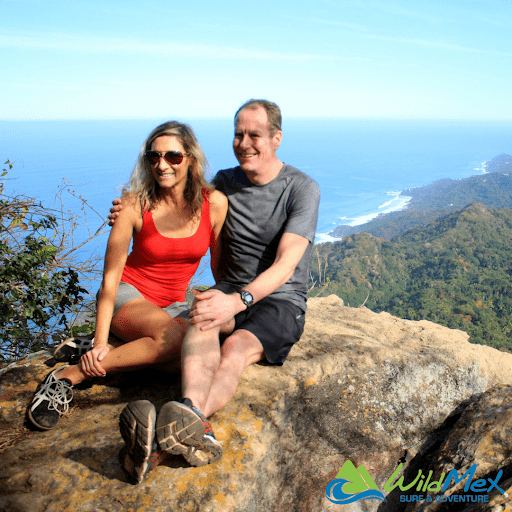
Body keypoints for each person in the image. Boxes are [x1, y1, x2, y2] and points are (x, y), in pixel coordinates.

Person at [111, 99, 320, 480]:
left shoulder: (302, 189)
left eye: (254, 135)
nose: (244, 143)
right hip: (228, 291)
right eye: (238, 135)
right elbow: (174, 197)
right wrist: (128, 209)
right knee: (201, 322)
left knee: (237, 348)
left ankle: (177, 427)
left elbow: (286, 264)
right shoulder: (224, 182)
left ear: (276, 138)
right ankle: (189, 418)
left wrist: (237, 301)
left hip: (280, 300)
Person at [27, 121, 228, 482]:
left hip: (171, 305)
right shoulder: (134, 206)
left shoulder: (214, 205)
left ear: (191, 160)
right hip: (129, 296)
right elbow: (108, 280)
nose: (162, 164)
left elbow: (221, 271)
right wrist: (102, 343)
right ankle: (69, 375)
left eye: (173, 155)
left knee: (193, 355)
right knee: (176, 341)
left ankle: (108, 349)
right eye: (154, 156)